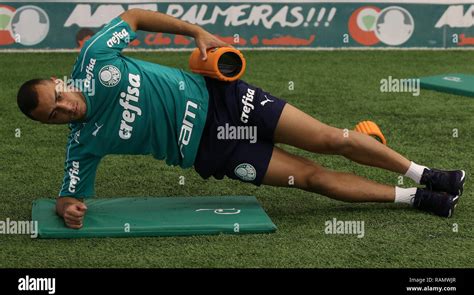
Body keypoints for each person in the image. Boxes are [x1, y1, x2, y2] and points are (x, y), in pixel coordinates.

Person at [16, 9, 465, 229]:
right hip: (217, 149)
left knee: (333, 139)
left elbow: (133, 15)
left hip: (228, 100)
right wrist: (67, 207)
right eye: (53, 116)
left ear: (60, 80)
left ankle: (427, 173)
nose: (64, 109)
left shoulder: (94, 58)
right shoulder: (84, 142)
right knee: (312, 177)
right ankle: (414, 198)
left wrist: (195, 32)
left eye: (58, 97)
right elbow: (69, 194)